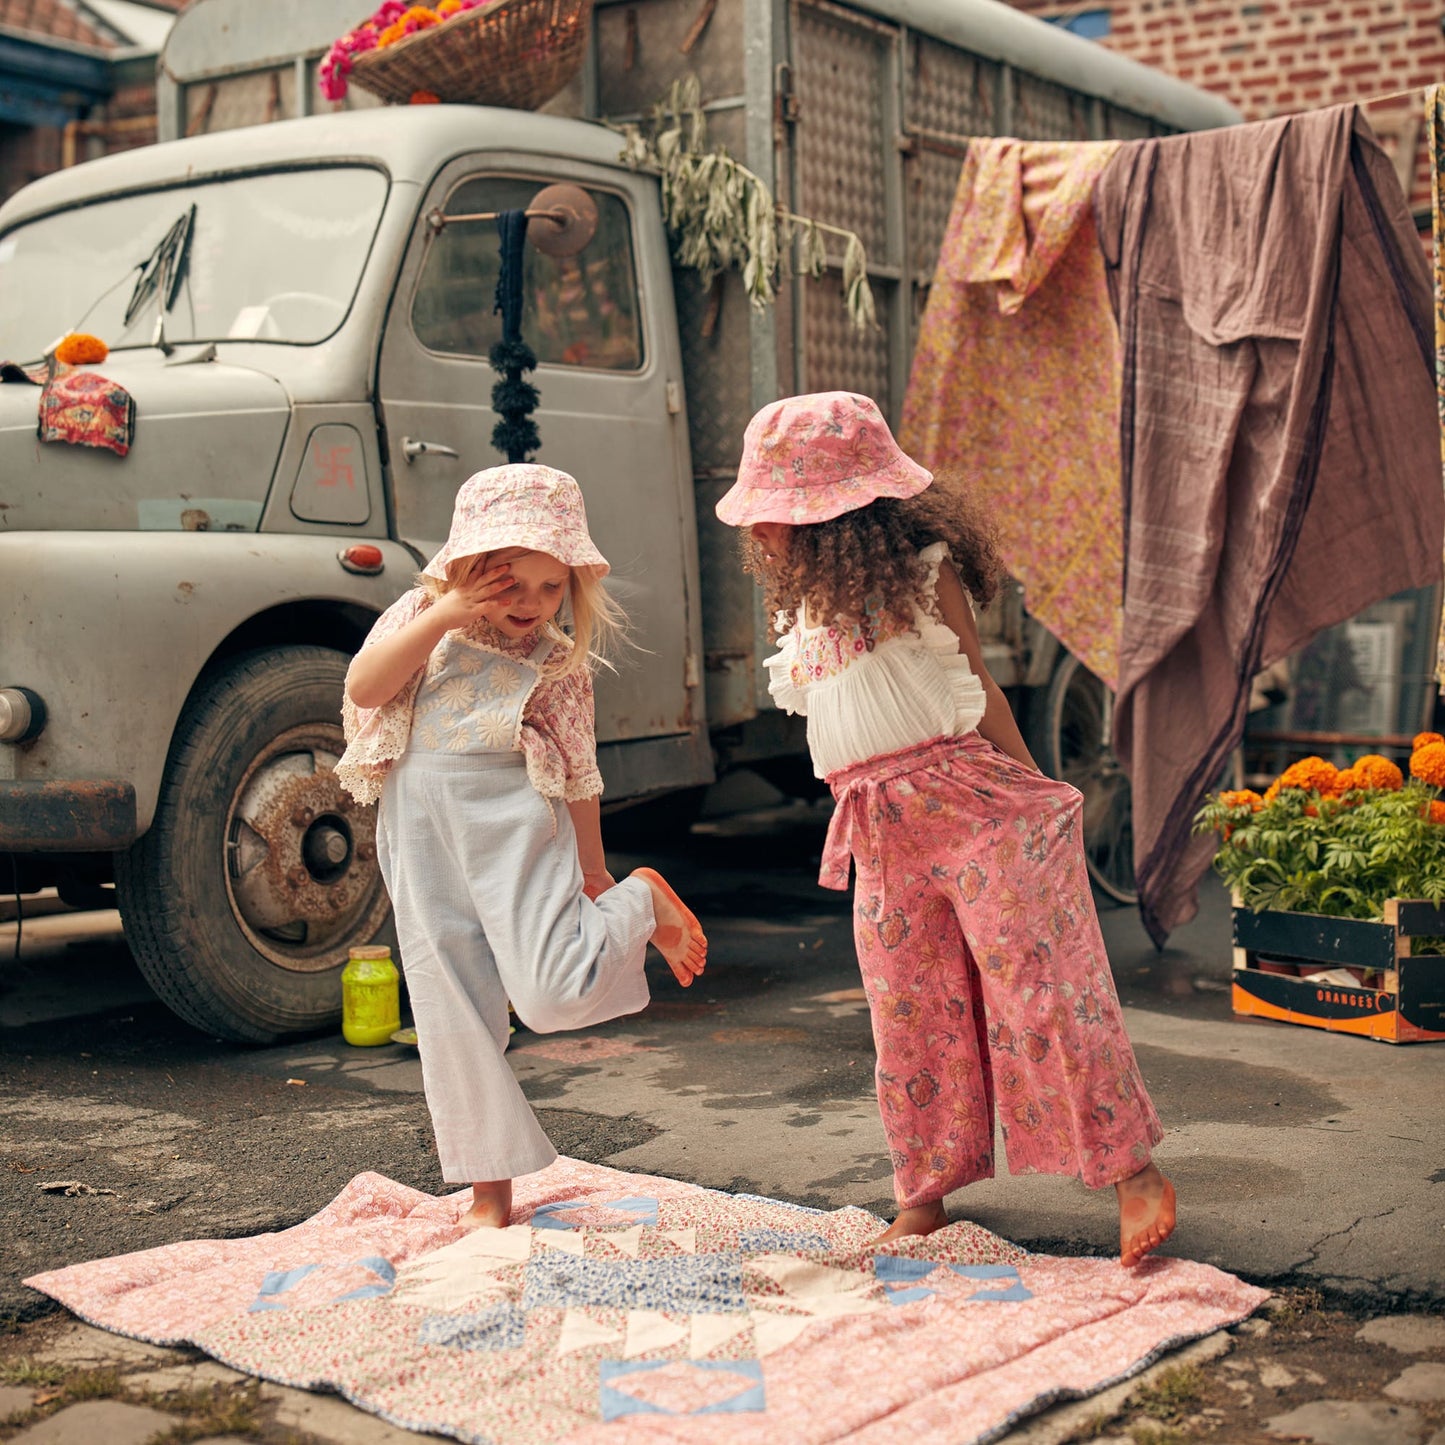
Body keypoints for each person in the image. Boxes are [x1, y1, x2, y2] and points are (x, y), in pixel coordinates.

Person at [715, 391, 1175, 1267]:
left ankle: (1133, 1171)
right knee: (907, 1013)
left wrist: (1036, 790)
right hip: (880, 829)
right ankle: (922, 1193)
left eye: (779, 514)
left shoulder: (923, 574)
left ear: (839, 518)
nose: (762, 533)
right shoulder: (805, 611)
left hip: (968, 808)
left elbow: (981, 691)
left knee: (1040, 991)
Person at [336, 463, 708, 1229]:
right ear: (470, 569)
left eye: (551, 587)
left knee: (552, 992)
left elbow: (578, 773)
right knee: (448, 1003)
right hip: (419, 826)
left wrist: (599, 872)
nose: (533, 605)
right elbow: (366, 689)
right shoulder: (421, 616)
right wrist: (442, 616)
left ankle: (646, 898)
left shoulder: (558, 660)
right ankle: (489, 1195)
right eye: (513, 585)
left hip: (512, 824)